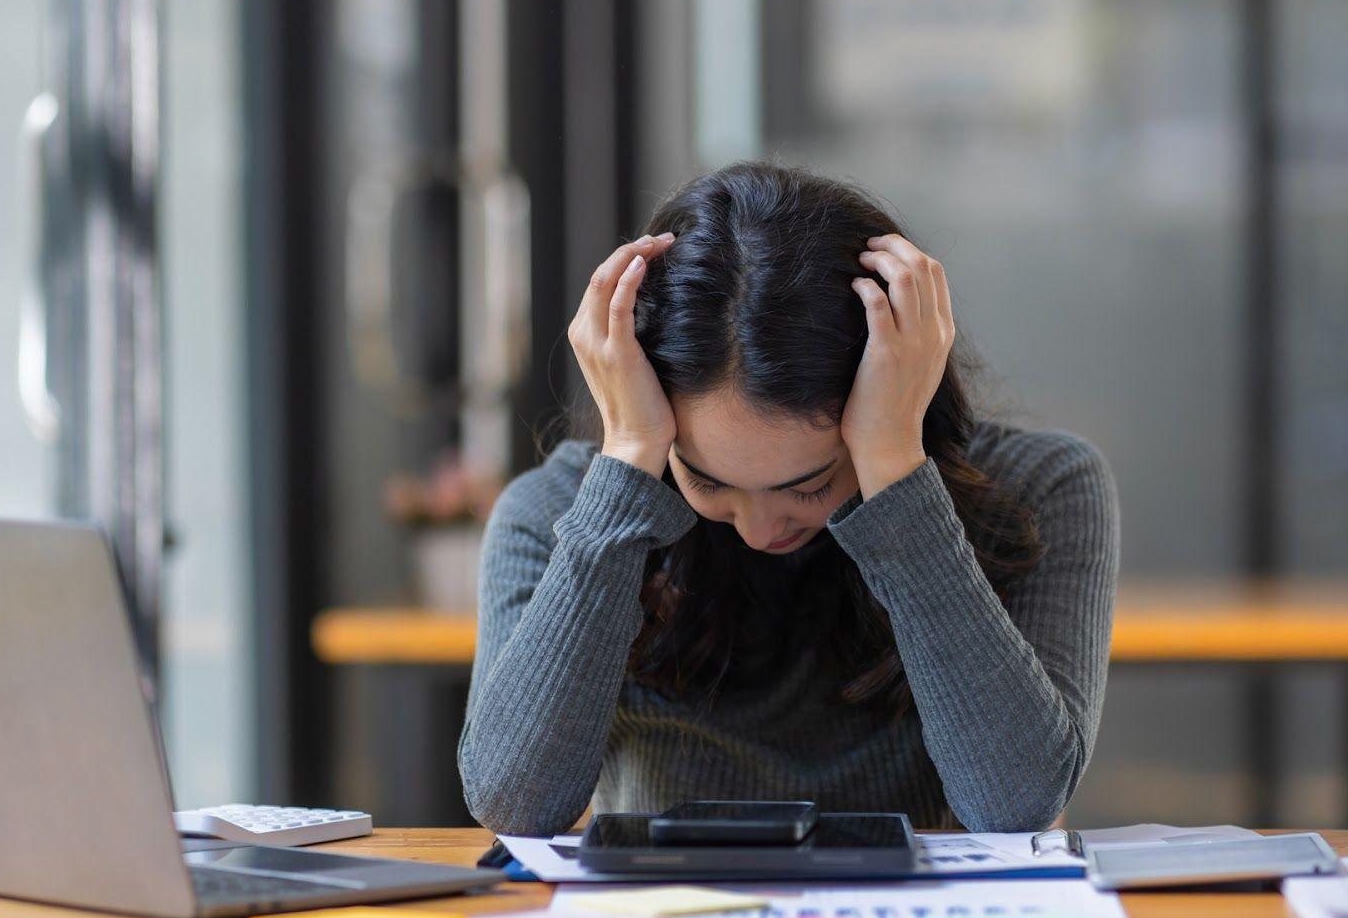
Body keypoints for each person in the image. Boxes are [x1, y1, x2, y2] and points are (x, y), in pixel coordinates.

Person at [458, 162, 1120, 835]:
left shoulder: (1041, 488)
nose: (758, 527)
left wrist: (894, 470)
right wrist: (629, 460)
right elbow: (516, 803)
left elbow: (1016, 808)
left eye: (807, 485)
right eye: (708, 480)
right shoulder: (564, 512)